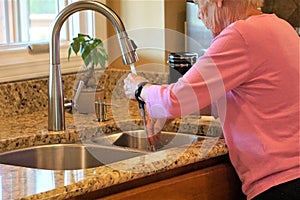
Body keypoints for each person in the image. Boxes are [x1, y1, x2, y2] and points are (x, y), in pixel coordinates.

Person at [123, 0, 299, 199]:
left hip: (279, 185)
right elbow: (240, 101)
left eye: (199, 4)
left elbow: (176, 99)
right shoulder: (281, 27)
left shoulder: (240, 35)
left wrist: (140, 89)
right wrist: (170, 108)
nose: (198, 15)